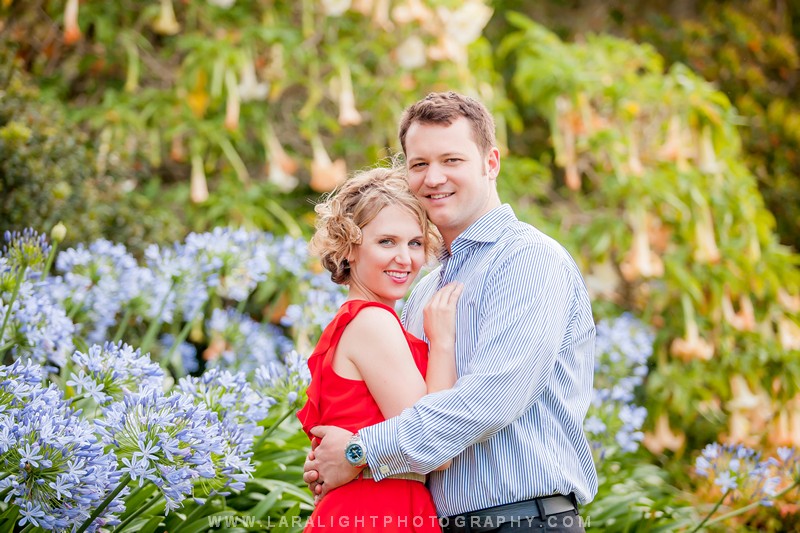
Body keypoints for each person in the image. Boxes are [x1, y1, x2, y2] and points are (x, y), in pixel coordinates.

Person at [304, 91, 598, 533]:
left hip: (522, 520)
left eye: (452, 160)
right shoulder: (421, 292)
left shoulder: (529, 260)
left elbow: (490, 402)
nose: (434, 177)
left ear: (491, 163)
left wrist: (359, 452)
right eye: (419, 164)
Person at [296, 164, 464, 532]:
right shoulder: (373, 322)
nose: (404, 258)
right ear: (349, 249)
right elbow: (433, 444)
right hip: (378, 509)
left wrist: (354, 454)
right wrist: (444, 342)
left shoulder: (354, 323)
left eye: (415, 243)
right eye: (386, 241)